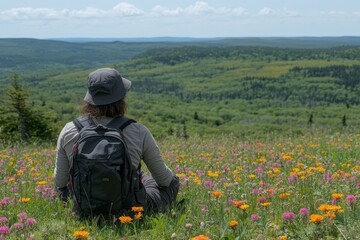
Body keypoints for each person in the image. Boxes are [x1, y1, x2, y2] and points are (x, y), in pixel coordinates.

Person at [54, 67, 180, 214]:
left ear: (89, 98)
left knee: (64, 191)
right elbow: (164, 180)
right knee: (170, 181)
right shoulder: (138, 131)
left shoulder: (69, 130)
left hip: (83, 207)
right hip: (129, 208)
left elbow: (60, 182)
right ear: (121, 98)